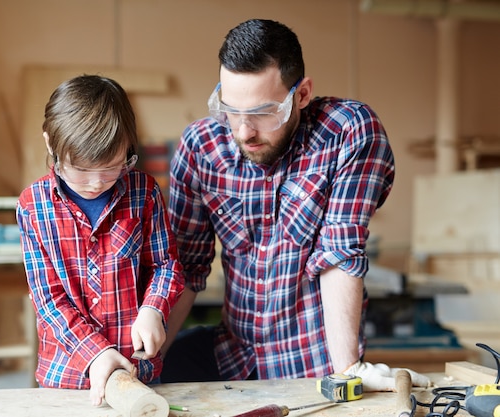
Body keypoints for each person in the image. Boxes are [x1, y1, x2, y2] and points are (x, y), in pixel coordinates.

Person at [160, 19, 429, 391]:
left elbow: (339, 254)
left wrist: (347, 371)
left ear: (301, 94)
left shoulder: (348, 133)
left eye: (262, 112)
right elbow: (186, 268)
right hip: (234, 358)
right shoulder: (200, 147)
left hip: (312, 367)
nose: (243, 131)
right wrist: (145, 365)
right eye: (231, 110)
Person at [16, 75, 184, 405]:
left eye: (111, 168)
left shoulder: (143, 193)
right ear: (51, 143)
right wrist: (96, 353)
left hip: (138, 371)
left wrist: (153, 308)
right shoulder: (33, 207)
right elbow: (49, 301)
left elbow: (165, 265)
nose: (96, 183)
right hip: (68, 376)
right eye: (81, 169)